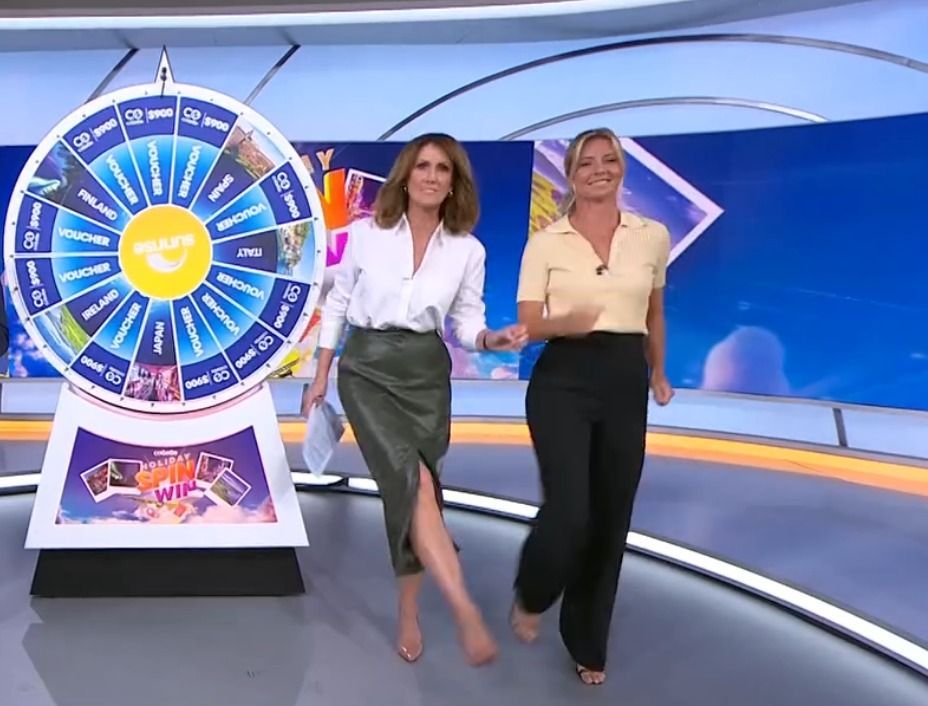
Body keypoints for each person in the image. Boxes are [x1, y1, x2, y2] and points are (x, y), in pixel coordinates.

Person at [302, 133, 528, 666]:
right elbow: (338, 304)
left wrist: (492, 340)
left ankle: (409, 608)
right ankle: (464, 609)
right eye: (422, 166)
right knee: (413, 484)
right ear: (405, 176)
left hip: (426, 375)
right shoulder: (366, 235)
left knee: (421, 496)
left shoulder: (468, 250)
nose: (431, 176)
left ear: (454, 183)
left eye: (442, 169)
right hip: (367, 370)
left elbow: (467, 322)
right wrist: (321, 375)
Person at [509, 127, 674, 685]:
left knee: (610, 517)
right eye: (586, 162)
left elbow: (654, 311)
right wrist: (569, 323)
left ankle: (587, 642)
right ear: (571, 174)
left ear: (621, 168)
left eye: (609, 160)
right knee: (569, 512)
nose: (599, 169)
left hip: (625, 378)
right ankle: (532, 594)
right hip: (563, 378)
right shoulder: (546, 242)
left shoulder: (651, 236)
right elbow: (529, 324)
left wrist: (658, 371)